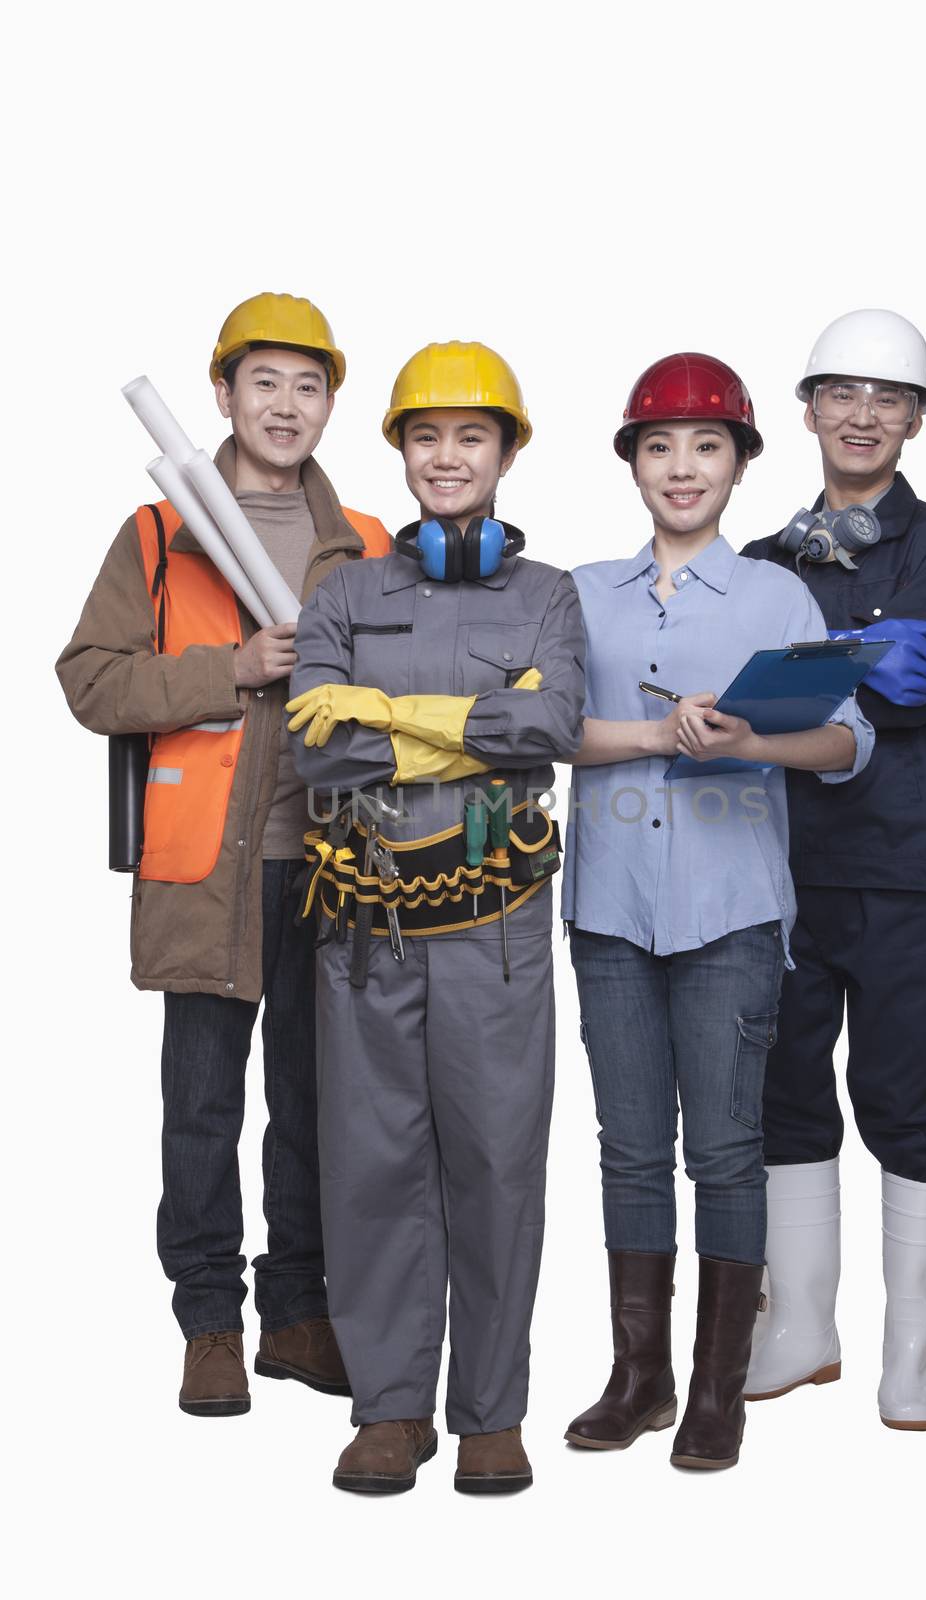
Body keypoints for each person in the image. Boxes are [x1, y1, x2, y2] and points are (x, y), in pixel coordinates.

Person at [56, 292, 390, 1417]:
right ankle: (209, 1317)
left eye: (308, 386)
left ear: (330, 403)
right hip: (208, 866)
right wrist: (234, 668)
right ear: (223, 394)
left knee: (314, 1099)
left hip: (339, 865)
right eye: (264, 383)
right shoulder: (161, 533)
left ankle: (298, 1312)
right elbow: (90, 680)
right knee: (201, 1103)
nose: (286, 405)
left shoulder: (372, 546)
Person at [560, 352, 873, 1471]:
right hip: (606, 911)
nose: (680, 467)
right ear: (632, 464)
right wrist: (652, 734)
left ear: (740, 462)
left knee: (726, 1153)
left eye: (704, 445)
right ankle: (636, 1375)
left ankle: (712, 1389)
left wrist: (751, 740)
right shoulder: (578, 594)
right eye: (658, 446)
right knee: (629, 1151)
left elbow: (846, 741)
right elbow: (544, 730)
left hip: (732, 914)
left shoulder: (776, 595)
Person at [285, 340, 585, 1495]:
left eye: (471, 435)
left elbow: (551, 725)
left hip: (496, 930)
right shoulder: (344, 591)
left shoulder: (546, 593)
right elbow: (321, 740)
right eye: (425, 436)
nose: (446, 455)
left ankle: (489, 1409)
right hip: (363, 928)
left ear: (505, 453)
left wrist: (389, 709)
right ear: (401, 452)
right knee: (371, 1163)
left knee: (498, 1162)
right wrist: (472, 717)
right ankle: (390, 1405)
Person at [741, 309, 926, 1430]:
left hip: (902, 870)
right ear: (805, 410)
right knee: (781, 1092)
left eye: (884, 398)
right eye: (837, 394)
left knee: (912, 1097)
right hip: (774, 869)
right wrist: (855, 651)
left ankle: (908, 1349)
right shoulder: (756, 559)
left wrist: (789, 674)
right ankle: (800, 1329)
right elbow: (747, 709)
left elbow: (911, 689)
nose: (858, 414)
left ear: (915, 418)